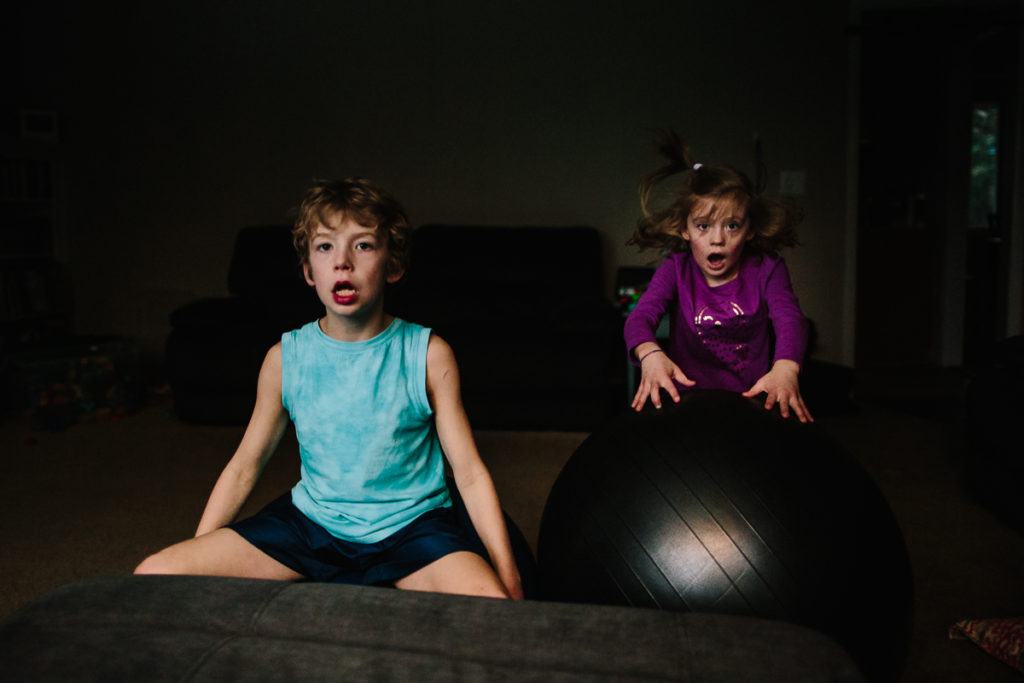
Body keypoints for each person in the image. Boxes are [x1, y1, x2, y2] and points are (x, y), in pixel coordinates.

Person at [136, 178, 523, 599]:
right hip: (311, 527)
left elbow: (469, 473)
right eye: (325, 247)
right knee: (155, 573)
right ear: (308, 271)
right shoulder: (284, 359)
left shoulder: (429, 354)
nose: (342, 262)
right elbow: (245, 465)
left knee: (491, 604)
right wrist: (199, 553)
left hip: (412, 529)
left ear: (393, 266)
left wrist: (510, 577)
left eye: (363, 245)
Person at [624, 132, 813, 422]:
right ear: (685, 229)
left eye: (732, 225)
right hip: (686, 405)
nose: (717, 239)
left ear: (750, 230)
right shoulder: (676, 268)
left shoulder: (768, 268)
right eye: (703, 226)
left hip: (750, 404)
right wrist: (650, 354)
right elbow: (640, 317)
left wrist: (786, 367)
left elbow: (790, 320)